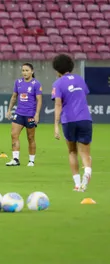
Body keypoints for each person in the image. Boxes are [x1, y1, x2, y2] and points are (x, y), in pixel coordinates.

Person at [52, 54, 92, 192]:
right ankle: (87, 172)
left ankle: (77, 184)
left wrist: (56, 125)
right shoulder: (80, 79)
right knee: (85, 153)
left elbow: (58, 104)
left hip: (68, 120)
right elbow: (83, 95)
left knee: (72, 151)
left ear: (56, 69)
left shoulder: (58, 83)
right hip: (85, 118)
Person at [5, 63, 42, 167]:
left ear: (32, 71)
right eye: (23, 70)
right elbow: (14, 97)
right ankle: (15, 159)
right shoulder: (18, 82)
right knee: (14, 135)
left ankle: (31, 160)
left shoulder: (36, 84)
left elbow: (39, 100)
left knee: (30, 138)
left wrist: (37, 114)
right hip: (19, 113)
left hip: (30, 114)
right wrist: (9, 110)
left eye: (27, 70)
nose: (24, 72)